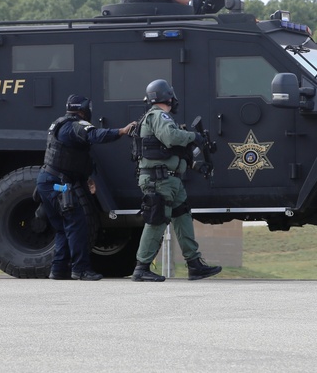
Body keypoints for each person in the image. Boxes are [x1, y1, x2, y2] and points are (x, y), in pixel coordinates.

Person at [36, 94, 136, 281]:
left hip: (49, 182)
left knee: (62, 228)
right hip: (58, 186)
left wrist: (87, 177)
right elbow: (95, 135)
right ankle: (80, 269)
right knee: (77, 223)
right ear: (83, 109)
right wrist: (121, 131)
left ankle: (58, 270)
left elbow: (70, 158)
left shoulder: (61, 123)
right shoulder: (76, 125)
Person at [131, 79, 222, 282]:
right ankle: (141, 267)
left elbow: (168, 152)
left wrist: (196, 165)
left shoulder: (156, 117)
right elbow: (171, 137)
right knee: (157, 220)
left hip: (170, 180)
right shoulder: (158, 115)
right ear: (167, 97)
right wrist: (193, 137)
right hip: (160, 181)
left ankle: (194, 264)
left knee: (183, 217)